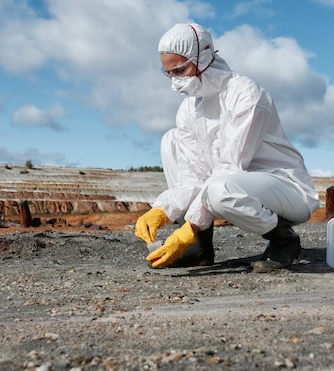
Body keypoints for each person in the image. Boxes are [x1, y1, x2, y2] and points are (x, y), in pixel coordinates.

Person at [134, 23, 320, 272]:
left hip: (285, 189)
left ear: (204, 57)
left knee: (219, 190)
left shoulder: (246, 94)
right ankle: (198, 247)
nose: (175, 82)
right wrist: (161, 210)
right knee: (171, 140)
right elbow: (193, 176)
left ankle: (283, 239)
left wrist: (189, 226)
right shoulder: (190, 109)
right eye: (169, 73)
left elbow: (229, 168)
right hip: (232, 184)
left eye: (181, 70)